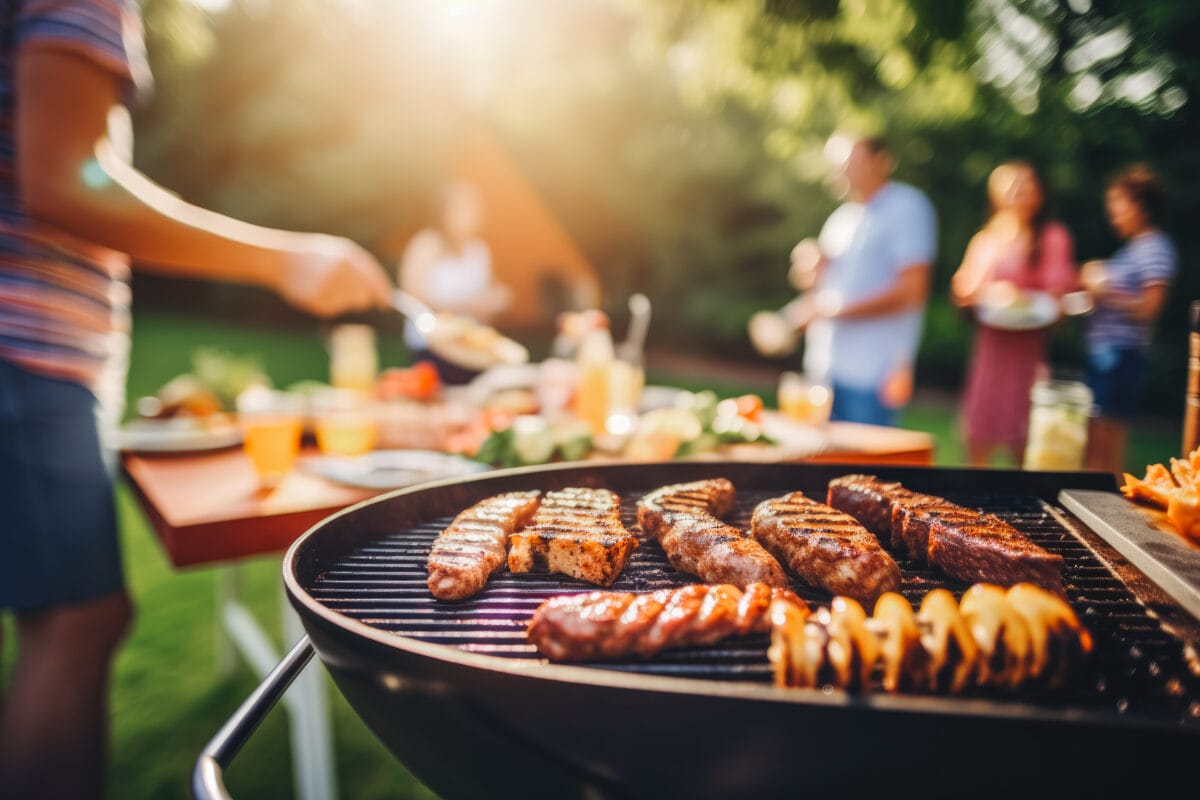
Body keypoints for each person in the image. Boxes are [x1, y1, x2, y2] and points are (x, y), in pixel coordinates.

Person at [0, 3, 392, 798]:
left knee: (74, 621)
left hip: (32, 355)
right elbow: (60, 178)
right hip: (23, 345)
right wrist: (284, 260)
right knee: (77, 625)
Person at [783, 135, 937, 426]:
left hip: (873, 375)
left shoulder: (906, 208)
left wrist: (831, 311)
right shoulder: (842, 218)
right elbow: (820, 286)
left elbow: (912, 291)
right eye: (837, 165)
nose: (841, 172)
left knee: (865, 470)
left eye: (851, 163)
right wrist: (810, 268)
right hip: (824, 372)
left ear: (883, 162)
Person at [951, 161, 1077, 466]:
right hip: (991, 351)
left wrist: (1026, 298)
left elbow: (1059, 296)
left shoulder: (1052, 237)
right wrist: (985, 295)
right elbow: (963, 289)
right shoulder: (986, 240)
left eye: (1027, 184)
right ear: (997, 194)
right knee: (977, 437)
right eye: (1013, 185)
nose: (1021, 192)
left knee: (1027, 440)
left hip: (1028, 354)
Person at [1081, 165, 1176, 474]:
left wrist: (1105, 288)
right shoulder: (1132, 250)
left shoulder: (1155, 248)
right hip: (1107, 354)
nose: (1113, 215)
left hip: (1120, 355)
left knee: (1106, 442)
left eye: (1118, 206)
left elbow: (1150, 308)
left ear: (1139, 205)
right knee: (1097, 440)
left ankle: (1108, 505)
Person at [398, 180, 511, 384]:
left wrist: (497, 300)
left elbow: (491, 293)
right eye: (461, 210)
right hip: (431, 348)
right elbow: (411, 297)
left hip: (472, 354)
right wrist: (470, 305)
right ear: (444, 213)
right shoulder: (427, 244)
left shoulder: (479, 250)